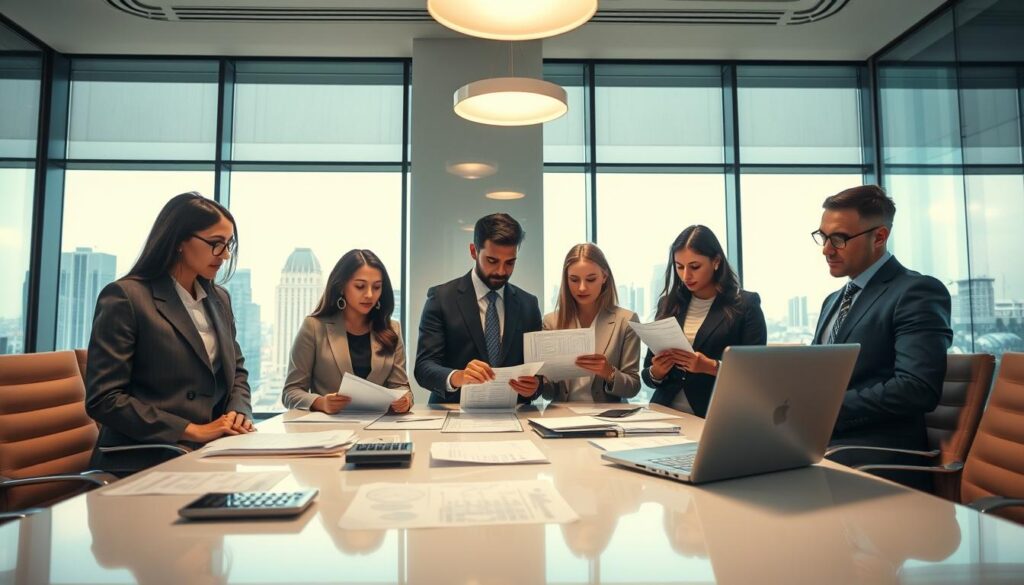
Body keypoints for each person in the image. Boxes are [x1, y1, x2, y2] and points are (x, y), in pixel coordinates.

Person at [85, 192, 253, 475]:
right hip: (146, 458)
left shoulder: (219, 298)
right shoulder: (126, 297)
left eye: (228, 246)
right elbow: (104, 399)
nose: (224, 255)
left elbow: (235, 370)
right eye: (215, 244)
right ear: (178, 241)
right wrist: (192, 430)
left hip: (209, 455)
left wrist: (237, 412)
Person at [812, 185, 952, 490]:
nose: (826, 250)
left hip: (876, 453)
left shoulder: (916, 291)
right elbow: (821, 376)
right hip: (823, 442)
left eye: (839, 239)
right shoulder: (832, 301)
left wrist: (826, 407)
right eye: (823, 237)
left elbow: (917, 388)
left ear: (879, 237)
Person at [414, 213, 543, 404]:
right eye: (492, 260)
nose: (501, 271)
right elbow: (424, 367)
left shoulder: (528, 305)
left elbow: (538, 372)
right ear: (474, 251)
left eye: (510, 263)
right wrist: (458, 377)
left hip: (513, 417)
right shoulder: (441, 298)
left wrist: (534, 387)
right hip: (454, 413)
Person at [641, 225, 767, 417]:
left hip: (715, 415)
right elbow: (648, 374)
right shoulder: (669, 303)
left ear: (716, 261)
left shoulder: (745, 305)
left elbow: (756, 373)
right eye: (679, 266)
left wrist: (711, 367)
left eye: (694, 267)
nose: (685, 276)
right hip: (665, 412)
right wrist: (657, 371)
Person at [282, 249, 412, 413]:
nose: (370, 294)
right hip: (328, 431)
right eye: (360, 286)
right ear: (342, 286)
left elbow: (401, 387)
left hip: (379, 430)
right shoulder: (314, 327)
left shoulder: (392, 329)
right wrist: (321, 402)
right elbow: (290, 393)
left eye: (377, 287)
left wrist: (405, 400)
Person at [541, 243, 640, 402]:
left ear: (604, 277)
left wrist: (609, 373)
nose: (582, 288)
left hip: (607, 416)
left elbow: (633, 387)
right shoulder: (551, 322)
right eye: (574, 280)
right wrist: (538, 383)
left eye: (591, 279)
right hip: (561, 417)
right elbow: (548, 393)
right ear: (566, 280)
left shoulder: (626, 321)